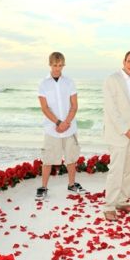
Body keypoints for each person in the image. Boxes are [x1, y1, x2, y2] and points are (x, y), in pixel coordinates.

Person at [35, 52, 86, 201]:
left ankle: (71, 184)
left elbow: (74, 106)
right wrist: (58, 123)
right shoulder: (43, 84)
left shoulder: (69, 82)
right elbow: (44, 108)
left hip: (70, 127)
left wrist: (66, 123)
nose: (57, 68)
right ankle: (43, 187)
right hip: (51, 128)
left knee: (71, 157)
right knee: (48, 159)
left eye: (60, 65)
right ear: (50, 64)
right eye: (55, 65)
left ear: (63, 65)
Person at [102, 51, 130, 221]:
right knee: (116, 171)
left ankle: (121, 201)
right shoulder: (112, 80)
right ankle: (109, 206)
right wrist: (125, 130)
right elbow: (111, 109)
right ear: (123, 61)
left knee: (128, 170)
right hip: (118, 133)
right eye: (129, 61)